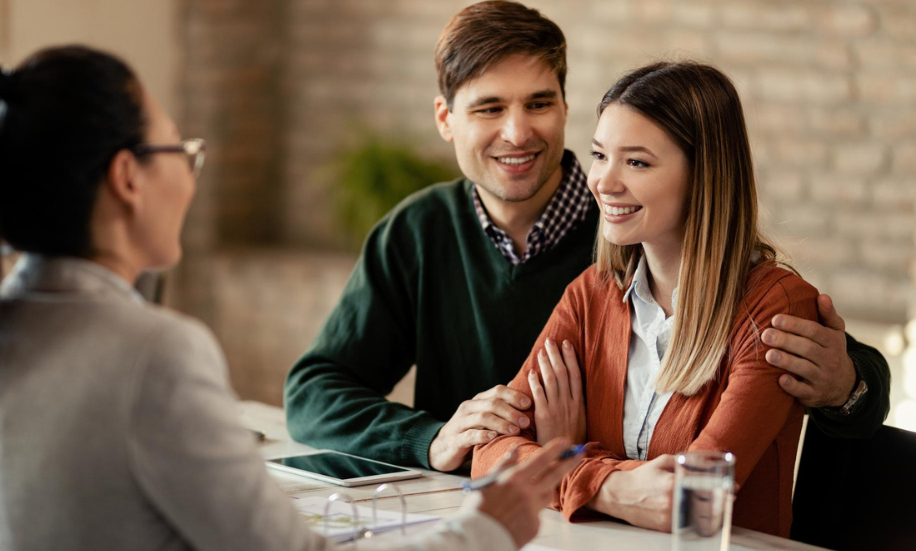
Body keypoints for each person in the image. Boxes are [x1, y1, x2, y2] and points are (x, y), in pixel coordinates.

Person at [0, 45, 581, 551]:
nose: (189, 174)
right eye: (180, 149)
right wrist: (486, 530)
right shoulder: (155, 353)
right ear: (127, 179)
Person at [283, 0, 890, 473]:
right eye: (489, 108)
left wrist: (849, 385)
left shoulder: (640, 232)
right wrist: (432, 439)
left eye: (538, 103)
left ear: (566, 106)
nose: (517, 132)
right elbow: (314, 390)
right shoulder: (421, 232)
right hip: (487, 508)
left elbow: (806, 355)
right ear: (446, 119)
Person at [473, 60, 817, 538]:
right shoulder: (591, 293)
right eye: (599, 155)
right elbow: (489, 455)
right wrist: (609, 485)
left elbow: (692, 499)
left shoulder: (774, 308)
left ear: (704, 175)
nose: (604, 182)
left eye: (636, 162)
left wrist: (568, 457)